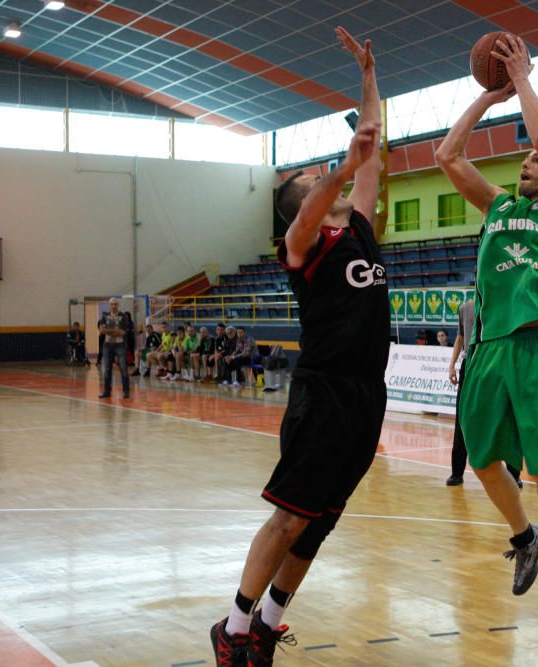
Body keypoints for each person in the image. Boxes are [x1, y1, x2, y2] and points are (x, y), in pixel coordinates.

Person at [210, 26, 388, 667]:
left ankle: (269, 625)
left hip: (369, 394)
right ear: (300, 204)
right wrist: (339, 165)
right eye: (315, 180)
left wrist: (368, 80)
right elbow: (327, 192)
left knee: (321, 519)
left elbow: (369, 157)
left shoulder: (360, 230)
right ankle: (231, 627)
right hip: (324, 390)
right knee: (288, 517)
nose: (331, 182)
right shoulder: (304, 245)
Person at [436, 33, 538, 615]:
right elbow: (447, 156)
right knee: (481, 461)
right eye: (522, 161)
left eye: (534, 163)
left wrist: (522, 79)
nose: (526, 163)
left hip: (532, 350)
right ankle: (527, 539)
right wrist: (487, 100)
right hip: (487, 351)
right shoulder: (499, 206)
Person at [446, 299, 522, 488]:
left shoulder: (506, 303)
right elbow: (460, 338)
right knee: (463, 418)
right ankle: (457, 472)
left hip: (498, 363)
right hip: (470, 364)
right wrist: (451, 366)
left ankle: (514, 474)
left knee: (508, 417)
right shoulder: (465, 307)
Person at [98, 298, 130, 399]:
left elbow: (123, 332)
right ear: (109, 305)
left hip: (120, 345)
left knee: (123, 368)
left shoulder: (123, 316)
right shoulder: (105, 316)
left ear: (118, 305)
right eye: (112, 304)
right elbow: (102, 331)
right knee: (107, 369)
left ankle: (126, 391)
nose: (113, 306)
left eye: (115, 304)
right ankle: (107, 391)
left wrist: (108, 331)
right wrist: (115, 331)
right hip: (107, 345)